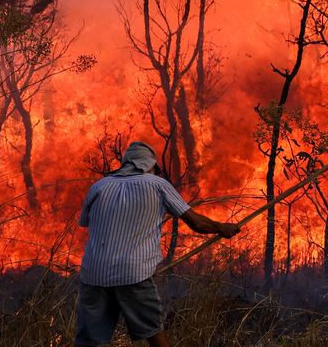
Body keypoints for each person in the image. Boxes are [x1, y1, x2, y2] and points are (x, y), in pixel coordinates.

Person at [75, 141, 240, 347]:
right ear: (150, 165)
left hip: (93, 273)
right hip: (133, 273)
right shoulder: (157, 184)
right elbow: (197, 223)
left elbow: (87, 224)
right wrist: (221, 227)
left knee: (90, 341)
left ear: (126, 163)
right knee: (154, 334)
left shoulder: (98, 187)